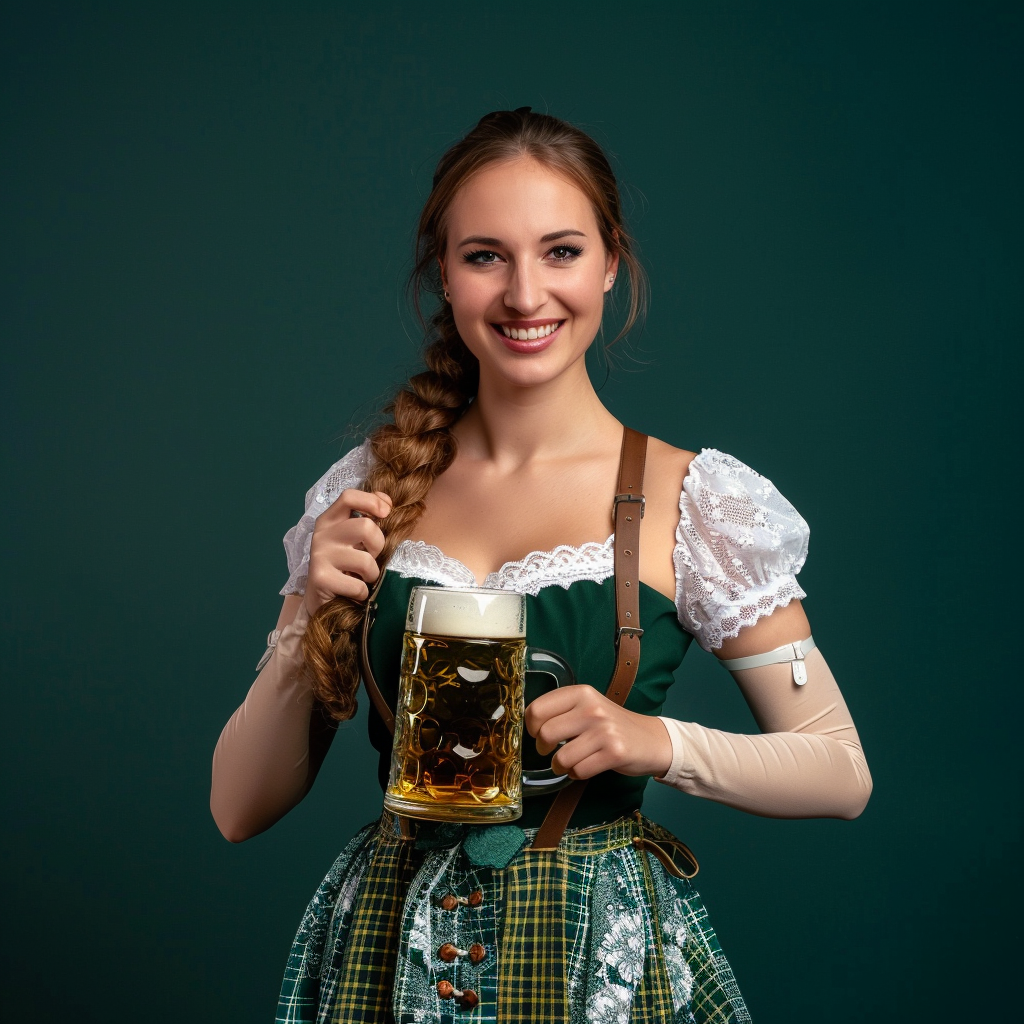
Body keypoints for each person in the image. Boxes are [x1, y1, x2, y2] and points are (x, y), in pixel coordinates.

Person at [211, 108, 872, 1024]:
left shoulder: (696, 502)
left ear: (610, 263)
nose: (526, 295)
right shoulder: (364, 490)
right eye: (486, 256)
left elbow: (840, 772)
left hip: (595, 966)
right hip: (385, 959)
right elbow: (238, 808)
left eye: (560, 252)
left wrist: (658, 744)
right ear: (442, 273)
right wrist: (306, 621)